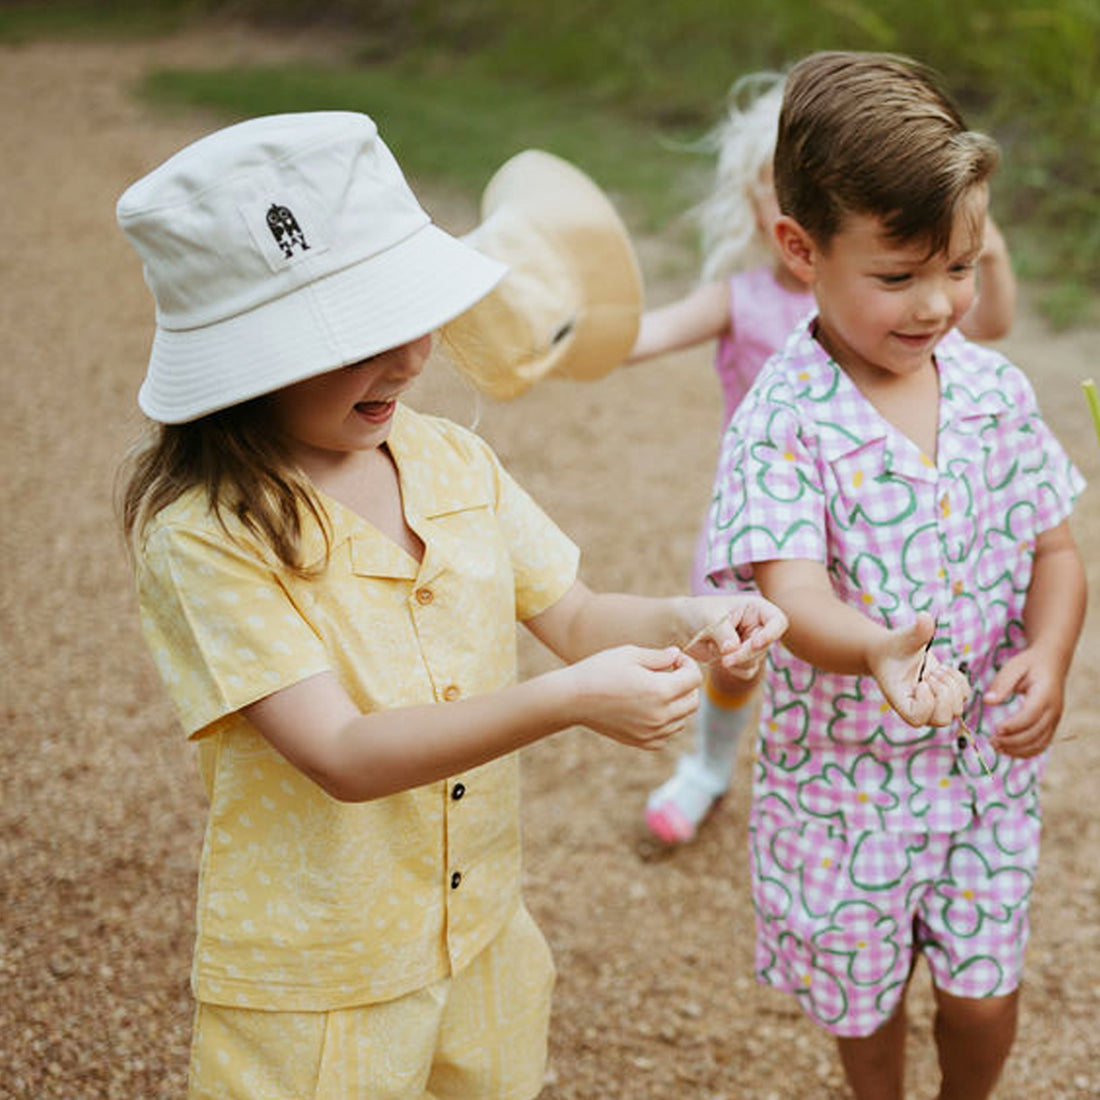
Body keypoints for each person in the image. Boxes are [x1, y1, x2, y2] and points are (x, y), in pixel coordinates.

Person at [115, 111, 787, 1100]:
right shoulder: (207, 534)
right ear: (246, 362)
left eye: (408, 316)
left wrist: (687, 617)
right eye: (356, 339)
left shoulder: (448, 459)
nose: (406, 359)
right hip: (319, 982)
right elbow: (341, 752)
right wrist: (564, 703)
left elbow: (576, 613)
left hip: (478, 939)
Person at [704, 52, 1084, 1100]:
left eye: (957, 268)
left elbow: (1051, 545)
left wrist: (1047, 657)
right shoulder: (780, 422)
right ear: (799, 249)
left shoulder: (993, 390)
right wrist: (874, 646)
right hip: (840, 794)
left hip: (982, 784)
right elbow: (792, 593)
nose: (935, 305)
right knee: (859, 1001)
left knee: (979, 989)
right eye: (895, 274)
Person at [634, 70, 1018, 847]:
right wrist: (574, 336)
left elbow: (993, 326)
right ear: (763, 213)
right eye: (772, 192)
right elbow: (647, 333)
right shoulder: (742, 298)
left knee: (870, 650)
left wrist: (981, 248)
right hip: (774, 509)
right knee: (737, 660)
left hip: (876, 524)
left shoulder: (901, 305)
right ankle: (709, 767)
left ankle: (902, 781)